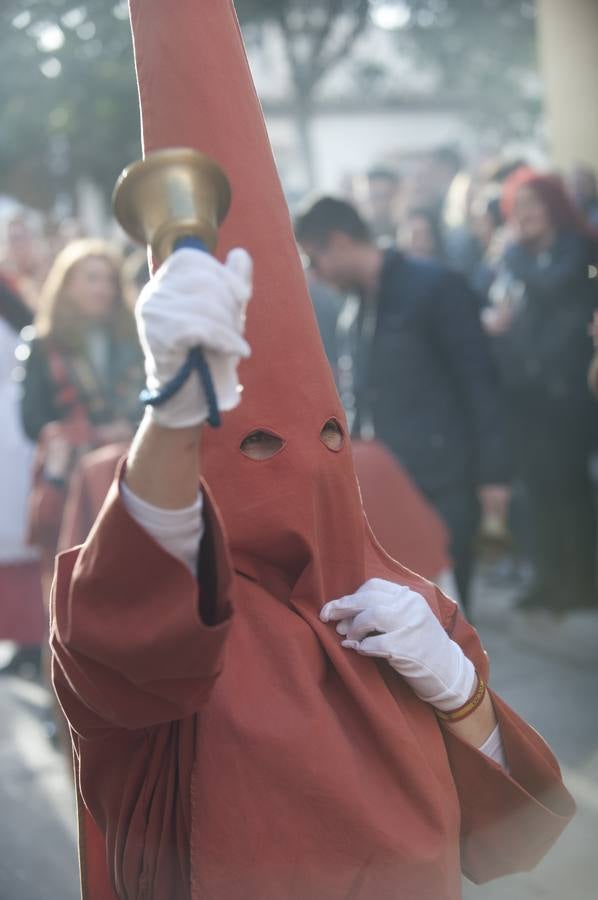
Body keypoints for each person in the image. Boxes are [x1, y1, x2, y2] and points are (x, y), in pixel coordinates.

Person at [51, 3, 574, 899]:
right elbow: (126, 629)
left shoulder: (405, 608)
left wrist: (461, 696)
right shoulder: (165, 618)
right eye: (253, 442)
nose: (304, 460)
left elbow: (515, 838)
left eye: (330, 435)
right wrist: (176, 411)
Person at [295, 197, 510, 616]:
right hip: (385, 488)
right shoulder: (351, 310)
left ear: (338, 242)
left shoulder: (434, 287)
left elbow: (479, 384)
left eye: (314, 259)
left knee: (449, 615)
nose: (314, 275)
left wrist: (493, 476)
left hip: (444, 482)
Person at [483, 169, 598, 612]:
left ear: (554, 205)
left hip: (566, 394)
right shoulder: (518, 260)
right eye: (518, 205)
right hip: (527, 394)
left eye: (534, 203)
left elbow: (554, 286)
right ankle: (549, 579)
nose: (525, 214)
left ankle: (579, 583)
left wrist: (512, 259)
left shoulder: (575, 248)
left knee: (569, 489)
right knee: (538, 489)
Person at [20, 238, 143, 572]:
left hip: (127, 469)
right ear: (68, 283)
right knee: (72, 567)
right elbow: (31, 418)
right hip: (70, 475)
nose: (102, 289)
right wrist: (73, 434)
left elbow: (151, 400)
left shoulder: (135, 339)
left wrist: (129, 427)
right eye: (92, 278)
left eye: (109, 280)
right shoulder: (43, 343)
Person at [0, 271, 44, 675]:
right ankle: (19, 637)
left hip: (17, 437)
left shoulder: (13, 307)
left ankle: (35, 637)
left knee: (25, 535)